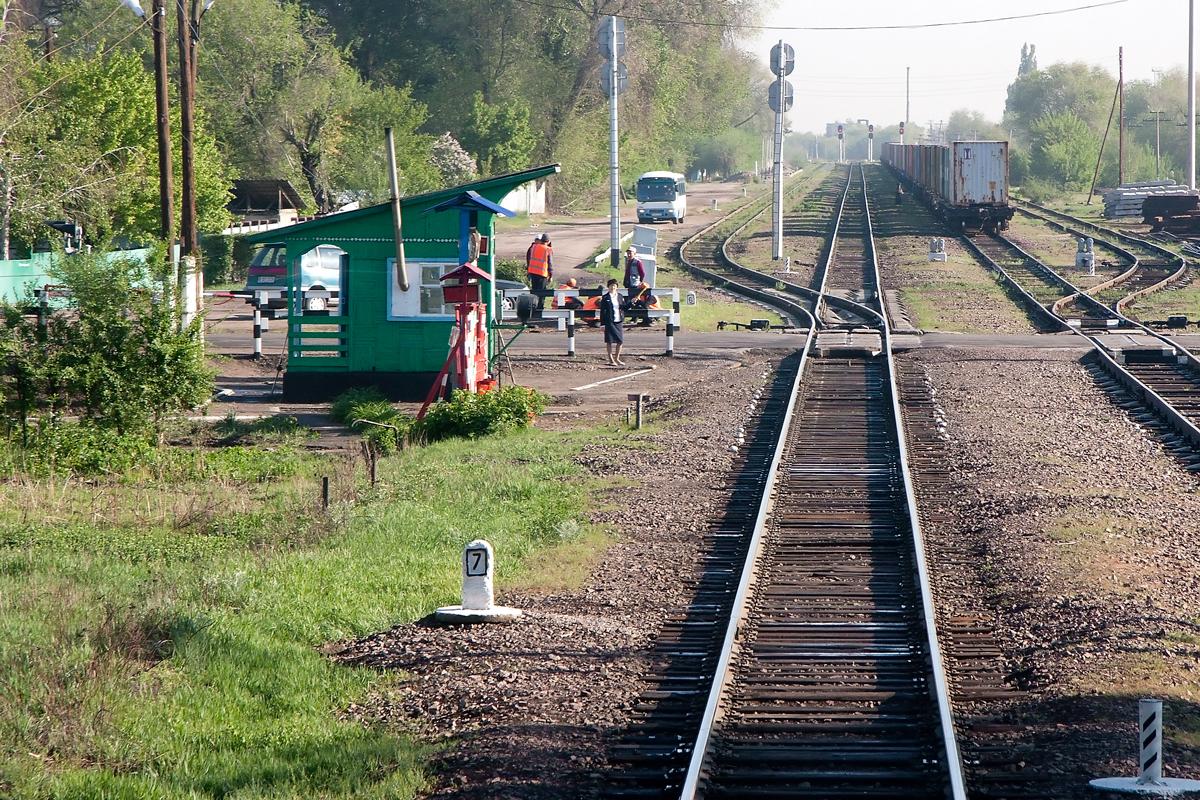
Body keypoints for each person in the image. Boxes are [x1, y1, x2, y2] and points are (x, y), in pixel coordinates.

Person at [599, 278, 625, 366]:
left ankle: (617, 358)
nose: (612, 287)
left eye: (614, 285)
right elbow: (602, 311)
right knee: (609, 341)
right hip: (609, 322)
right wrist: (602, 324)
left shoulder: (620, 296)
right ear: (608, 287)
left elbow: (624, 307)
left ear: (617, 287)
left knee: (620, 341)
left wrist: (631, 303)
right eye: (611, 286)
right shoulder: (605, 297)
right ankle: (611, 359)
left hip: (618, 321)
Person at [526, 233, 553, 310]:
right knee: (542, 292)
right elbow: (550, 264)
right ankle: (540, 308)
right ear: (548, 241)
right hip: (542, 273)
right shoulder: (548, 249)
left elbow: (529, 258)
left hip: (533, 272)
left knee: (534, 291)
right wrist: (551, 275)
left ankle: (533, 307)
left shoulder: (533, 247)